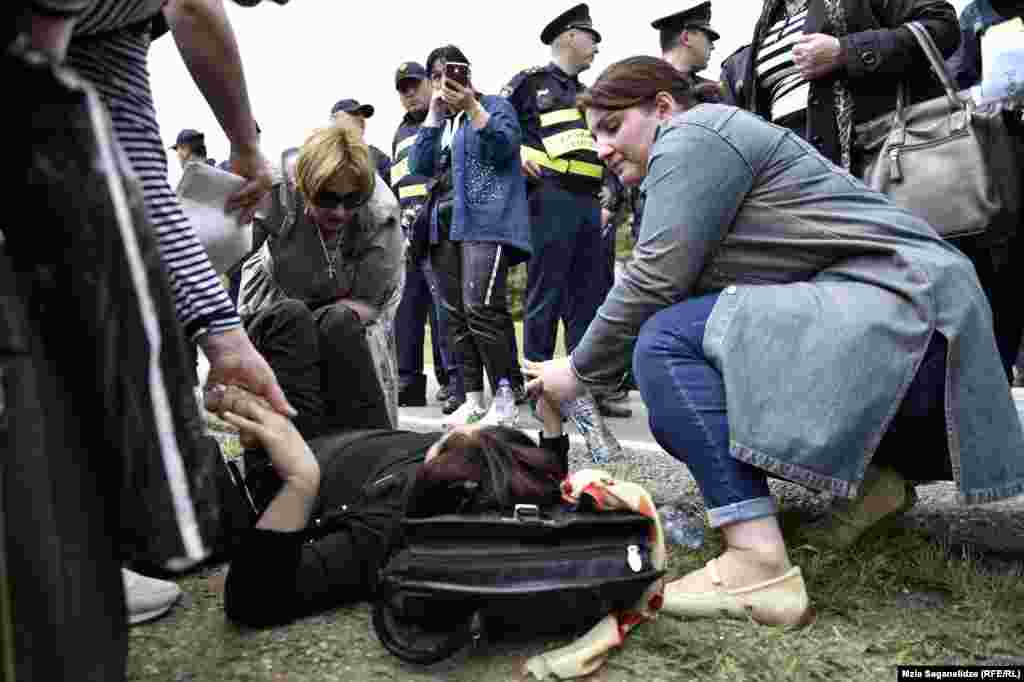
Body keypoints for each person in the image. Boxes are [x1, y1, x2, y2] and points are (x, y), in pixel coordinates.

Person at [526, 56, 1024, 626]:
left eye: (612, 127)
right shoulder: (711, 144)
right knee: (692, 339)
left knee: (666, 344)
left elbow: (653, 279)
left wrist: (578, 370)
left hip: (914, 322)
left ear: (662, 107)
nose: (603, 149)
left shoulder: (694, 135)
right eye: (594, 137)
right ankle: (876, 483)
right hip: (924, 335)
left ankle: (756, 563)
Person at [206, 383, 570, 628]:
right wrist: (552, 427)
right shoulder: (480, 471)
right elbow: (543, 488)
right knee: (334, 321)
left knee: (289, 321)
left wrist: (300, 480)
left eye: (452, 440)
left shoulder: (381, 530)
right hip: (338, 438)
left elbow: (250, 600)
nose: (463, 429)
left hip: (275, 471)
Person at [239, 121, 405, 434]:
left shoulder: (381, 216)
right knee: (292, 327)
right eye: (327, 198)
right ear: (303, 186)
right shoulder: (274, 193)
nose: (340, 212)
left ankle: (369, 448)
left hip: (351, 309)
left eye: (351, 200)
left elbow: (368, 305)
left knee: (341, 327)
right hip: (281, 294)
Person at [408, 45, 531, 428]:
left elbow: (505, 147)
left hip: (486, 222)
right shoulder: (442, 122)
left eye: (452, 73)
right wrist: (433, 115)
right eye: (437, 76)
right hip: (445, 227)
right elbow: (418, 165)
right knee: (456, 315)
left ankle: (507, 395)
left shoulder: (494, 105)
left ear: (466, 74)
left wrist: (474, 107)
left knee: (481, 308)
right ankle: (474, 398)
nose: (445, 83)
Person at [947, 0, 1024, 386]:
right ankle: (996, 378)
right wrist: (983, 95)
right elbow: (953, 86)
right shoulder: (976, 15)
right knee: (1003, 275)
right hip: (1002, 156)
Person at [390, 60, 459, 410]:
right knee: (407, 308)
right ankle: (408, 380)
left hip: (437, 225)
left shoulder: (445, 120)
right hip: (406, 230)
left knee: (443, 308)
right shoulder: (400, 134)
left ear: (430, 85)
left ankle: (452, 380)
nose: (409, 93)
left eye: (414, 84)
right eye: (403, 88)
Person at [652, 1, 721, 84]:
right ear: (686, 38)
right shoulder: (641, 84)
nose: (712, 47)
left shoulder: (710, 90)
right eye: (709, 39)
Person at [330, 98, 393, 188]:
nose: (361, 118)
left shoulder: (377, 156)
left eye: (362, 115)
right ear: (335, 118)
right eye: (353, 113)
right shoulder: (318, 154)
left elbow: (397, 186)